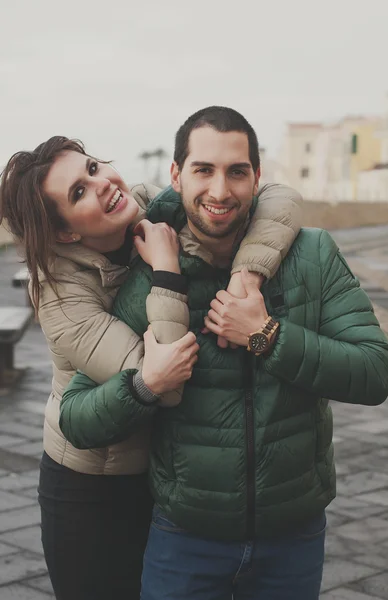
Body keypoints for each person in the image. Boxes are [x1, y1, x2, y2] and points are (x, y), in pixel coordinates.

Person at [62, 106, 388, 600]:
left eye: (237, 172)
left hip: (294, 534)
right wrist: (144, 385)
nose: (220, 191)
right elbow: (77, 418)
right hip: (183, 538)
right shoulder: (150, 269)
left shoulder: (314, 254)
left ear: (257, 178)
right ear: (176, 175)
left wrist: (267, 335)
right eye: (203, 170)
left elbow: (375, 373)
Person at [0, 134, 303, 600]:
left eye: (93, 168)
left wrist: (248, 272)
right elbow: (163, 377)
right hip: (93, 486)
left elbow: (278, 196)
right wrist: (165, 269)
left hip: (166, 474)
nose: (101, 185)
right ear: (65, 233)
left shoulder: (147, 206)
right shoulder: (60, 294)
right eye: (78, 192)